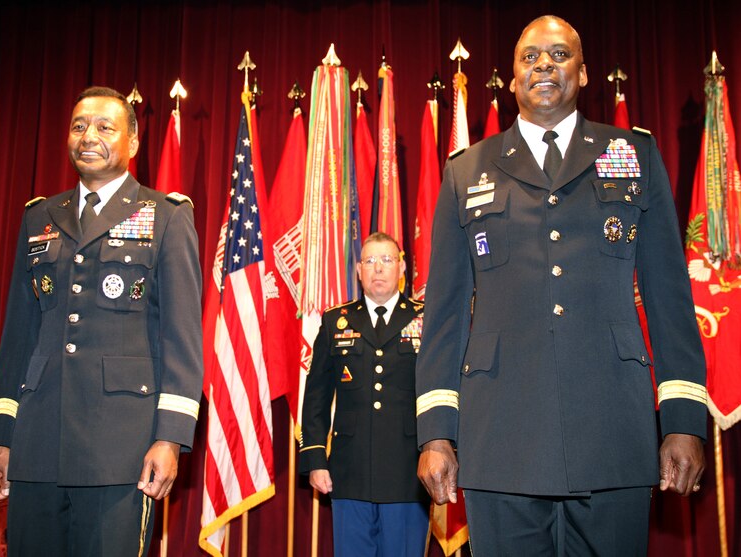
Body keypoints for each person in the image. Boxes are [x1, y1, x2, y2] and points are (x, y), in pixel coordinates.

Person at [415, 15, 707, 556]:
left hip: (613, 431)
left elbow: (670, 298)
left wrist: (684, 419)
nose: (544, 65)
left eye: (559, 54)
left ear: (585, 71)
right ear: (510, 78)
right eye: (529, 57)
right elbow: (446, 316)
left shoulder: (631, 155)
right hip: (502, 436)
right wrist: (436, 433)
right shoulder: (467, 170)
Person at [0, 86, 203, 556]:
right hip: (37, 442)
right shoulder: (38, 216)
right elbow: (18, 338)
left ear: (133, 141)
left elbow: (183, 341)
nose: (89, 136)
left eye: (106, 127)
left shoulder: (165, 216)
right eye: (80, 125)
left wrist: (170, 438)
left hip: (120, 448)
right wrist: (2, 438)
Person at [299, 232, 430, 556]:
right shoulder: (335, 321)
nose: (378, 269)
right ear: (359, 270)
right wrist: (316, 459)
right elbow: (315, 397)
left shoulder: (425, 318)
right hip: (349, 472)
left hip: (407, 474)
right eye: (370, 261)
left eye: (386, 260)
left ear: (401, 268)